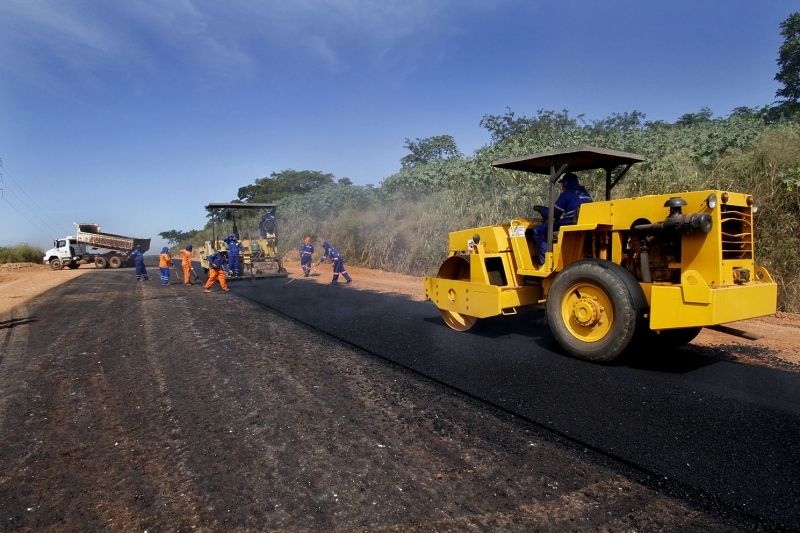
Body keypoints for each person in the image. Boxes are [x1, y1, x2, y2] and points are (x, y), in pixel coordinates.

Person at [532, 172, 593, 265]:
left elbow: (554, 212)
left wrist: (541, 209)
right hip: (584, 223)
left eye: (562, 184)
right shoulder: (585, 193)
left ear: (566, 183)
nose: (561, 187)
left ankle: (545, 262)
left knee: (538, 230)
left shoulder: (567, 193)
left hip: (570, 222)